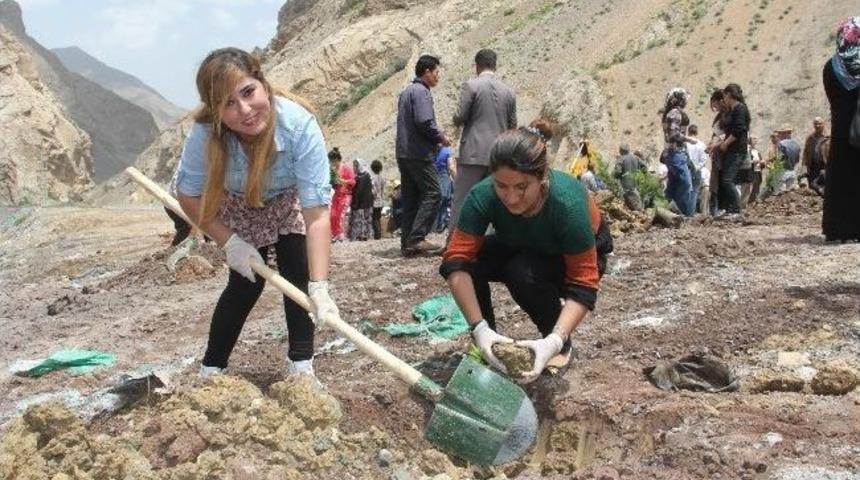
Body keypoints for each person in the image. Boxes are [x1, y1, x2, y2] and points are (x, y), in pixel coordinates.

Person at [174, 47, 340, 378]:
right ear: (215, 111)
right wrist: (229, 242)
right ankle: (212, 370)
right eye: (228, 104)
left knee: (299, 275)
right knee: (244, 285)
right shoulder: (205, 135)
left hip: (286, 201)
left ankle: (302, 370)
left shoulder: (299, 126)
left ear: (262, 83)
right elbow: (188, 196)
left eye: (248, 92)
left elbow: (317, 213)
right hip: (237, 205)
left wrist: (320, 286)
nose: (245, 110)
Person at [440, 120, 612, 384]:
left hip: (565, 256)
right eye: (501, 186)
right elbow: (456, 261)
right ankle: (488, 344)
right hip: (524, 241)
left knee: (521, 272)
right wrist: (480, 328)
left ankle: (558, 346)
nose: (510, 198)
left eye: (521, 187)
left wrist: (555, 340)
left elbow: (583, 283)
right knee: (473, 261)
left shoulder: (568, 204)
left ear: (541, 176)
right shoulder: (482, 196)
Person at [450, 49, 517, 231]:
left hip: (473, 152)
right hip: (499, 155)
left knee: (462, 198)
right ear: (495, 65)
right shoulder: (509, 91)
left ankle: (454, 242)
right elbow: (513, 126)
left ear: (477, 65)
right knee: (496, 199)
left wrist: (455, 119)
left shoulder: (471, 85)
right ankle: (491, 242)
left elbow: (460, 116)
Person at [395, 54, 450, 256]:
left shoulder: (407, 91)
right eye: (436, 72)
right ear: (426, 72)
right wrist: (441, 137)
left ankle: (407, 244)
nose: (438, 76)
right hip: (418, 153)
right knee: (434, 192)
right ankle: (418, 238)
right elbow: (425, 121)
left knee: (411, 197)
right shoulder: (421, 92)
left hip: (404, 152)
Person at [822, 16, 860, 242]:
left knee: (839, 180)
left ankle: (836, 228)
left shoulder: (831, 66)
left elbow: (832, 99)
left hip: (840, 132)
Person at [715, 83, 750, 218]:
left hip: (736, 149)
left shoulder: (740, 109)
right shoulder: (733, 110)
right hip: (731, 150)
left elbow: (739, 129)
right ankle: (731, 209)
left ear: (729, 95)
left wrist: (726, 143)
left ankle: (736, 210)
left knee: (727, 180)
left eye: (725, 96)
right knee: (727, 179)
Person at [660, 87, 696, 216]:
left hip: (674, 153)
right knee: (686, 183)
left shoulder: (671, 112)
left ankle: (668, 211)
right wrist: (689, 139)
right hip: (676, 153)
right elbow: (673, 134)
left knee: (673, 184)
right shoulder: (675, 113)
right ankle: (683, 213)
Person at [706, 90, 729, 216]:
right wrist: (711, 144)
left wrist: (715, 143)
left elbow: (725, 134)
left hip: (722, 151)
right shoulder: (720, 116)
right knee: (714, 180)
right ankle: (714, 209)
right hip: (717, 152)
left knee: (720, 180)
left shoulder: (728, 115)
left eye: (714, 104)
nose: (714, 107)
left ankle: (720, 208)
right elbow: (716, 134)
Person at [329, 148, 355, 242]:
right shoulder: (333, 170)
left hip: (345, 195)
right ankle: (334, 233)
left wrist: (343, 181)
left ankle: (340, 234)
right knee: (333, 215)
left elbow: (353, 181)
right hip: (337, 194)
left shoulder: (347, 168)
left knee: (340, 215)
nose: (331, 163)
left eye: (332, 160)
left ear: (336, 159)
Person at [614, 143, 647, 211]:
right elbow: (645, 167)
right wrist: (640, 174)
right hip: (636, 185)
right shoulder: (636, 158)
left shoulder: (620, 159)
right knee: (637, 203)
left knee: (628, 207)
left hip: (625, 187)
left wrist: (616, 177)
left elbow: (618, 172)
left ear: (621, 151)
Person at [348, 159, 373, 241]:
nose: (354, 167)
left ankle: (360, 235)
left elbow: (358, 191)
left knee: (360, 220)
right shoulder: (367, 175)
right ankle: (366, 235)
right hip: (367, 202)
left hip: (360, 203)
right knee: (365, 219)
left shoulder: (360, 177)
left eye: (356, 165)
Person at [686, 125, 709, 213]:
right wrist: (697, 167)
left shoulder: (685, 143)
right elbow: (704, 160)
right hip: (699, 171)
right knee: (703, 189)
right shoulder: (701, 144)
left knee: (689, 192)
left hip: (687, 170)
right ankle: (704, 213)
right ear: (697, 132)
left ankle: (689, 212)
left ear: (688, 132)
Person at [802, 117, 828, 190]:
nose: (817, 126)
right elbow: (805, 154)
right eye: (815, 124)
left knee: (825, 189)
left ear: (824, 124)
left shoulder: (829, 138)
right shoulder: (810, 138)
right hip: (813, 168)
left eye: (819, 123)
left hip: (824, 168)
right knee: (813, 189)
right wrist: (804, 168)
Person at [433, 146, 455, 233]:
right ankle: (440, 225)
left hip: (431, 176)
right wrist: (456, 179)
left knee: (434, 200)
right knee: (445, 199)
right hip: (443, 176)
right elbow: (451, 167)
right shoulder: (446, 151)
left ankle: (433, 226)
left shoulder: (430, 150)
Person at [774, 124, 802, 191]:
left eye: (780, 133)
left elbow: (778, 159)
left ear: (785, 134)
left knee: (780, 195)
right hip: (792, 171)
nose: (778, 135)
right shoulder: (796, 145)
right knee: (789, 195)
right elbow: (797, 160)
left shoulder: (781, 144)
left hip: (783, 172)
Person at [370, 160, 385, 239]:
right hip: (381, 201)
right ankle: (379, 234)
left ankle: (377, 236)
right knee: (378, 218)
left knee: (374, 219)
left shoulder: (373, 178)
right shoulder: (382, 178)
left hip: (375, 201)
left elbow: (373, 191)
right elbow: (382, 190)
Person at [747, 136, 765, 204]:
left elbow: (760, 161)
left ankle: (753, 201)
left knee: (757, 186)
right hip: (751, 172)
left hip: (757, 171)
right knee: (751, 187)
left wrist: (762, 162)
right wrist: (752, 162)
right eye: (754, 138)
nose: (756, 140)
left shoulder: (757, 151)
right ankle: (748, 202)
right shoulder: (748, 151)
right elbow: (745, 162)